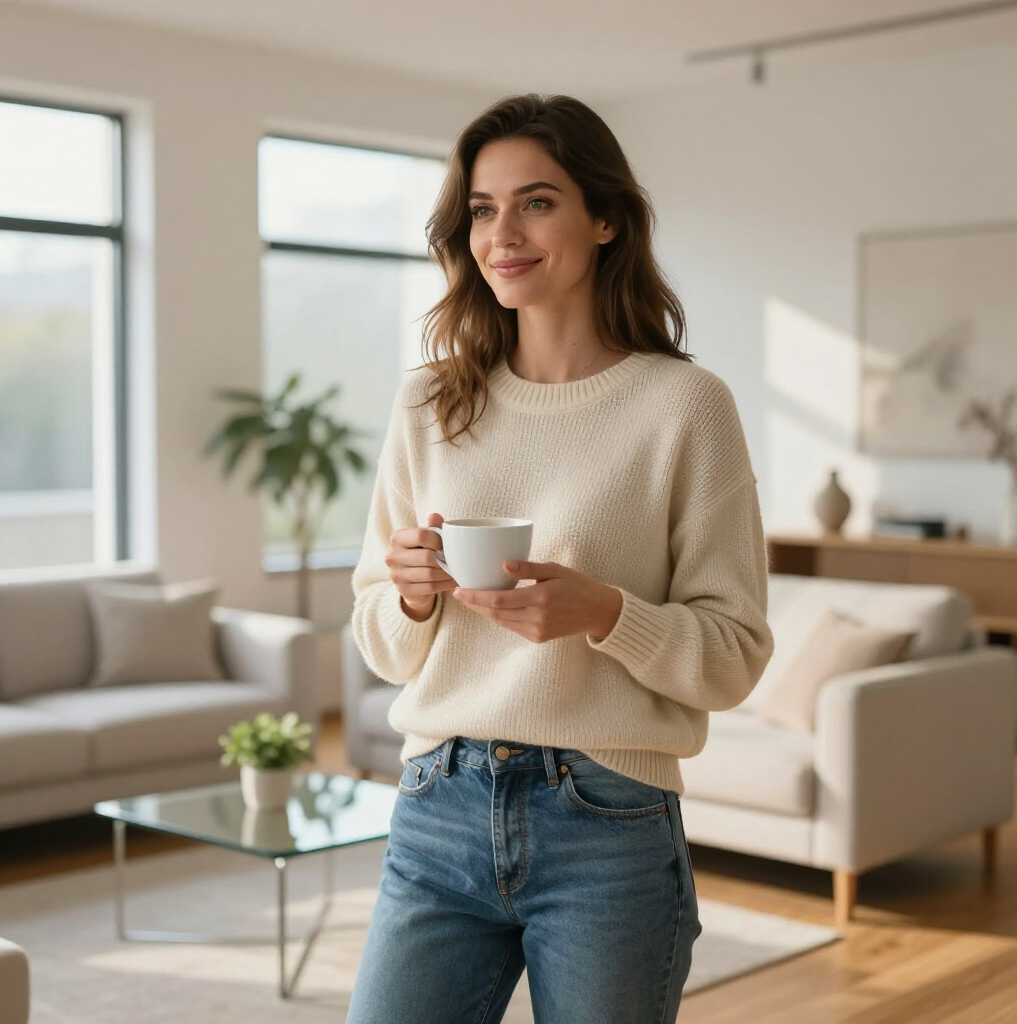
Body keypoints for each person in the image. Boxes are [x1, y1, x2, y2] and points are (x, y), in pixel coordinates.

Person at [346, 93, 774, 1024]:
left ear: (605, 216)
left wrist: (605, 614)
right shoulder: (429, 401)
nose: (504, 232)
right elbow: (380, 635)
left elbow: (735, 651)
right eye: (484, 208)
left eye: (537, 201)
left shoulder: (685, 407)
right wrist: (412, 599)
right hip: (436, 803)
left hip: (609, 821)